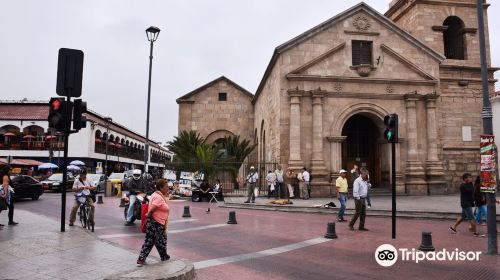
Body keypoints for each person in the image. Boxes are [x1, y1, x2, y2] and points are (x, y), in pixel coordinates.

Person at [137, 179, 170, 266]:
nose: (168, 188)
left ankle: (164, 256)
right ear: (161, 187)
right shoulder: (158, 197)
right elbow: (153, 208)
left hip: (159, 222)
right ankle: (141, 258)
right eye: (166, 186)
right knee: (150, 241)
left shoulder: (156, 195)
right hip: (155, 223)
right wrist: (149, 214)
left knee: (162, 240)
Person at [348, 167, 369, 231]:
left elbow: (365, 189)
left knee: (363, 213)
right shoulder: (357, 181)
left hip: (363, 198)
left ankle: (361, 226)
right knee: (358, 213)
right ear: (362, 174)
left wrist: (368, 184)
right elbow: (355, 191)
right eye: (366, 175)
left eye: (367, 175)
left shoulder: (365, 181)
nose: (367, 176)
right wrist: (358, 198)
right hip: (359, 199)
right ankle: (351, 224)